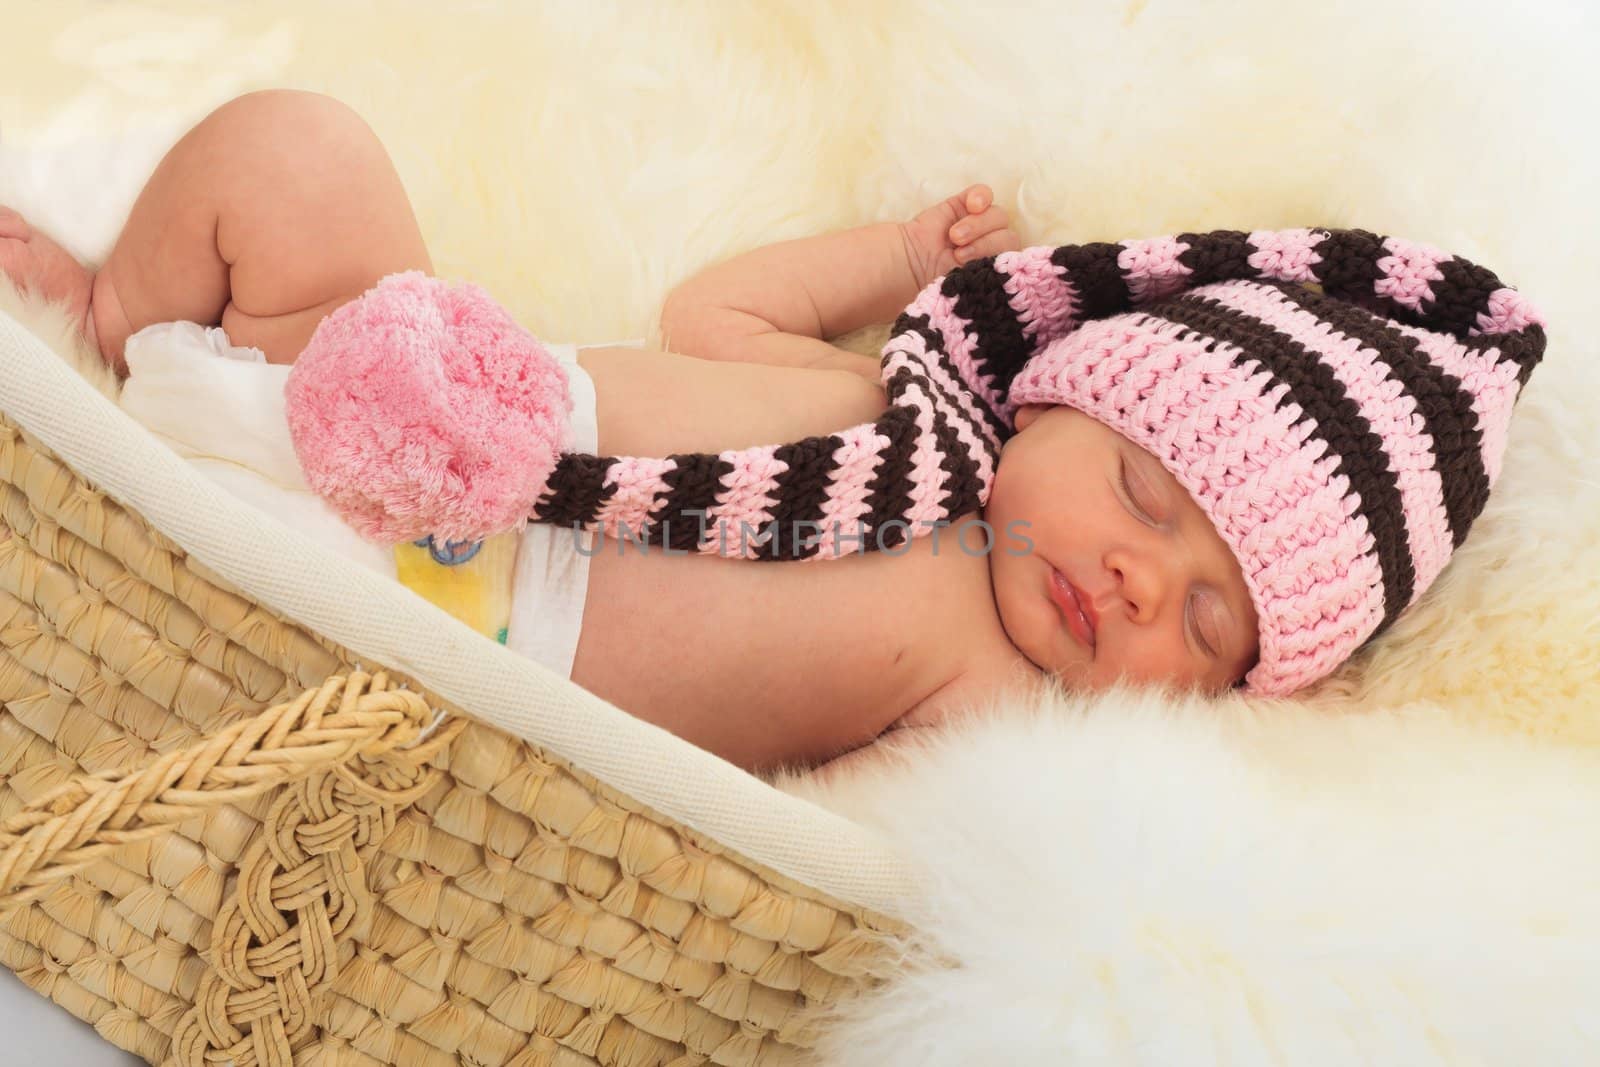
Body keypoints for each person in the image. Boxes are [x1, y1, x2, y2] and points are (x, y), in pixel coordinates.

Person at [0, 89, 1544, 777]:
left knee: (162, 603)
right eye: (1146, 494)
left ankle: (124, 432)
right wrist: (888, 261)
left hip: (419, 632)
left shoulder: (990, 686)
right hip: (375, 390)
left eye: (1210, 623)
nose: (1140, 579)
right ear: (1063, 399)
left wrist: (1284, 730)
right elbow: (710, 310)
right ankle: (123, 322)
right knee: (303, 149)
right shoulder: (888, 399)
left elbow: (1061, 816)